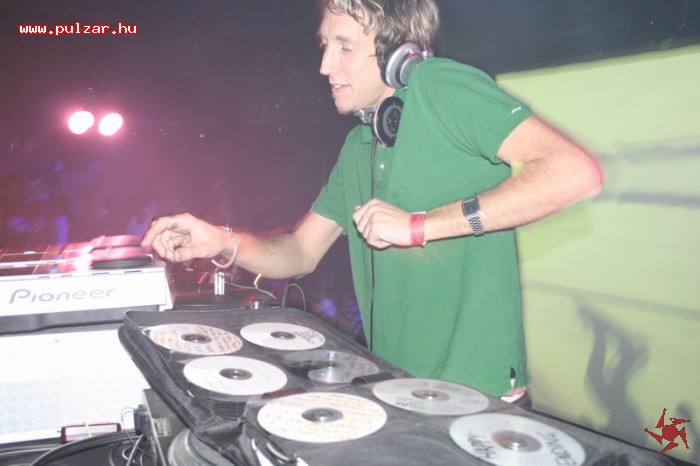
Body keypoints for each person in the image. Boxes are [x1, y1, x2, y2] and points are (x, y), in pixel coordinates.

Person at [142, 0, 602, 402]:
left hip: (478, 397)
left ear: (399, 54)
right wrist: (220, 240)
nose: (325, 65)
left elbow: (572, 172)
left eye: (344, 46)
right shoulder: (360, 144)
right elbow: (299, 251)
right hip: (400, 389)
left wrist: (418, 226)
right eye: (324, 45)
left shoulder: (442, 87)